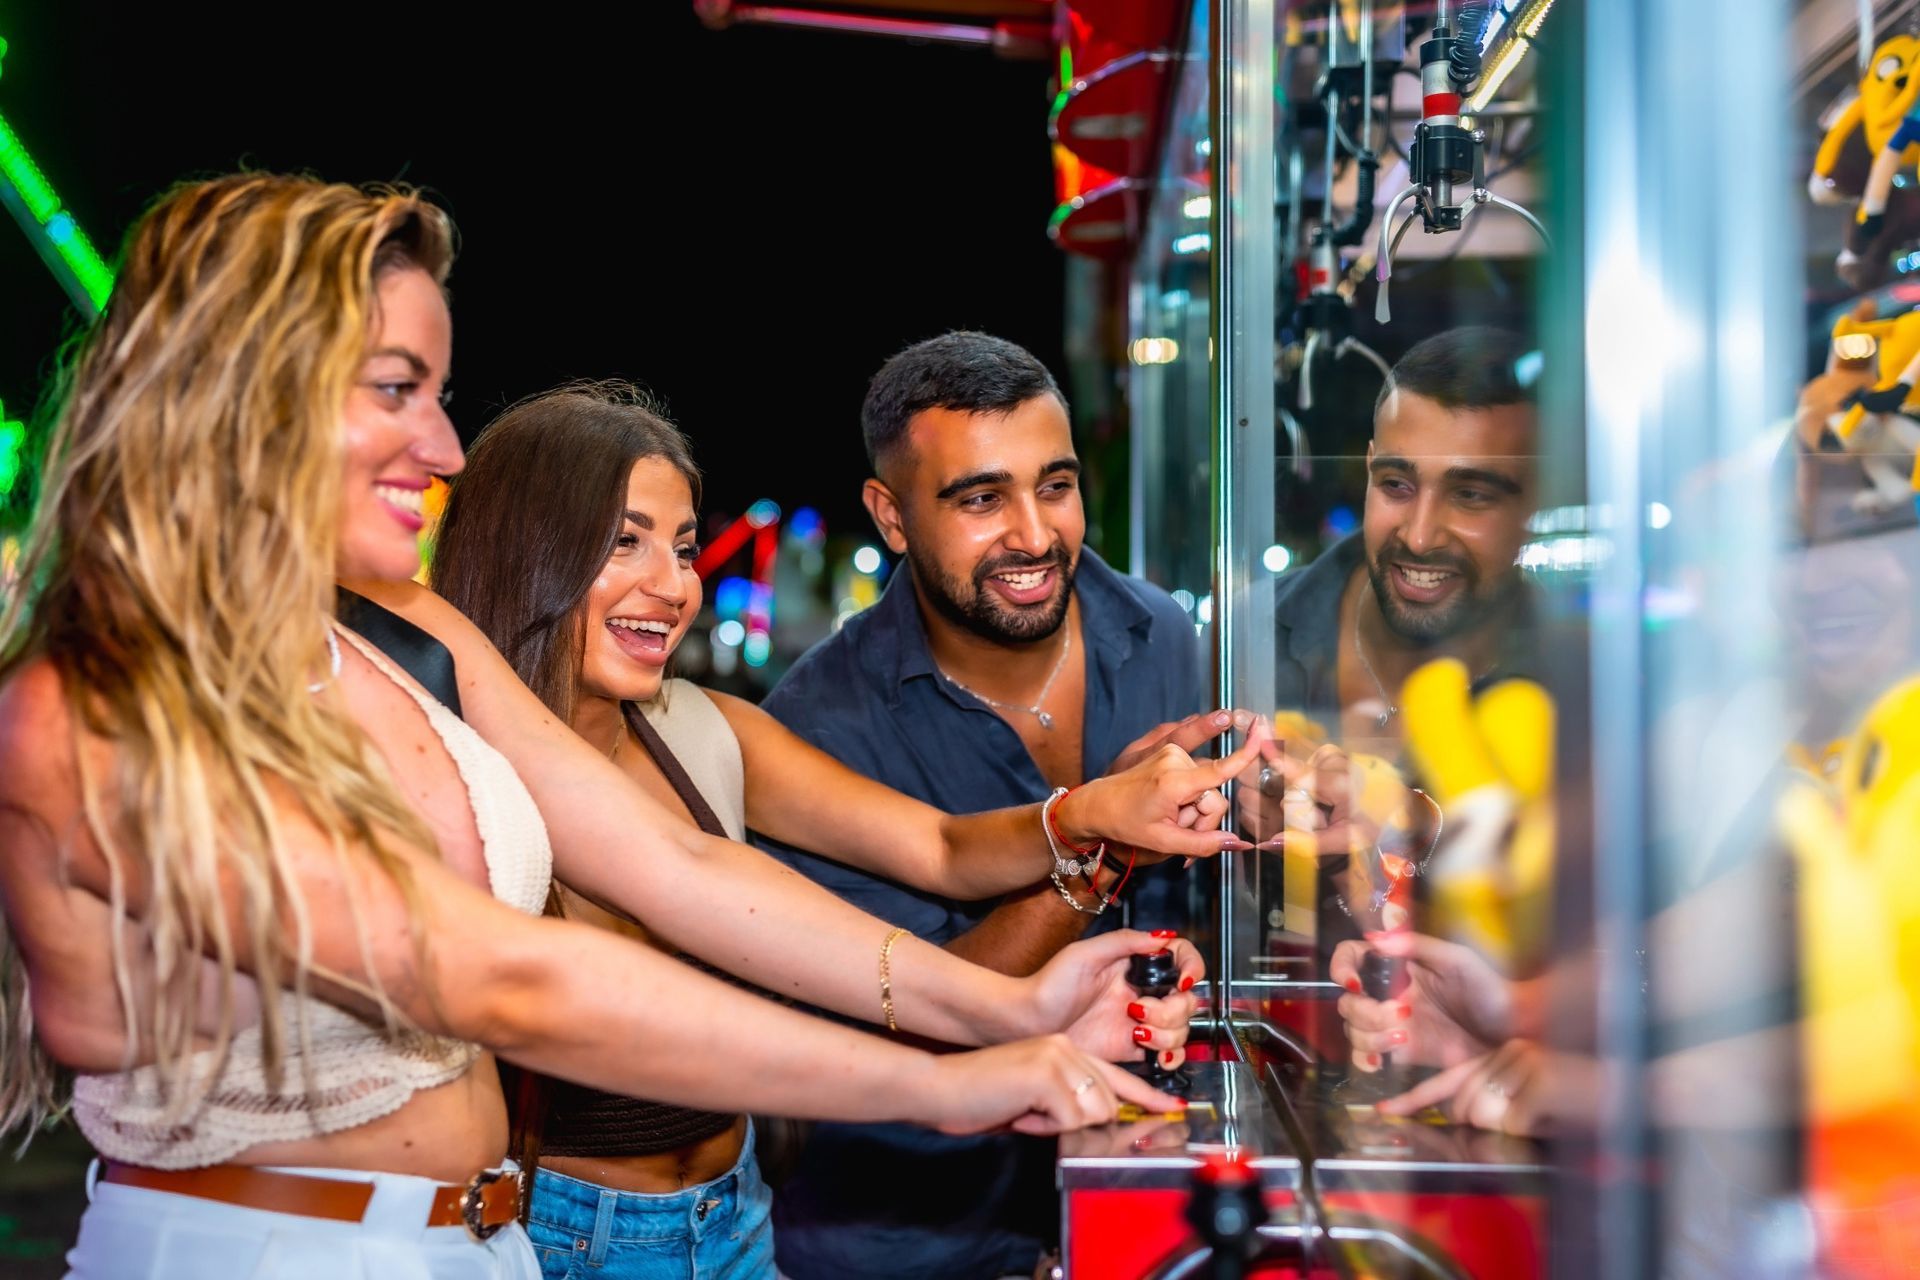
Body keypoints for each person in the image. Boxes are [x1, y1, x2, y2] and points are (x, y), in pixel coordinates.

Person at [0, 174, 1197, 1280]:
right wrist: (960, 1083)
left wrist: (1012, 1010)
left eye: (442, 395)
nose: (444, 449)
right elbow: (509, 979)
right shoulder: (96, 702)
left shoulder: (397, 629)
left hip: (475, 1241)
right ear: (247, 390)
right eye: (396, 390)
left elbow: (681, 867)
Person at [427, 381, 1259, 1278]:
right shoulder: (451, 769)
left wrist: (1094, 814)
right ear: (527, 551)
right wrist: (975, 1055)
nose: (672, 588)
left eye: (681, 547)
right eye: (622, 543)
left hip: (736, 1217)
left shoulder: (707, 729)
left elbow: (938, 847)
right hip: (560, 1231)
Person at [754, 331, 1233, 1280]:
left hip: (1139, 1197)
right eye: (981, 498)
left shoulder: (1163, 633)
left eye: (1054, 485)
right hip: (914, 1232)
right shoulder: (815, 721)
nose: (1033, 532)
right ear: (891, 517)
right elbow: (902, 1011)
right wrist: (1104, 847)